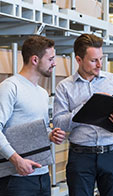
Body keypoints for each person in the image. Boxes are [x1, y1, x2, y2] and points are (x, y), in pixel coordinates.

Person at [53, 33, 113, 196]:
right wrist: (86, 107)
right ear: (78, 60)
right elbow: (58, 123)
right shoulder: (65, 87)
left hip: (111, 154)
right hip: (81, 157)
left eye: (101, 59)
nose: (99, 64)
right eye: (93, 60)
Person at [0, 35, 66, 196]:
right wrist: (16, 159)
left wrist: (51, 134)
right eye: (50, 59)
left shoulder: (42, 93)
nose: (54, 63)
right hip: (16, 177)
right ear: (35, 60)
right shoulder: (10, 87)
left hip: (42, 175)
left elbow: (38, 128)